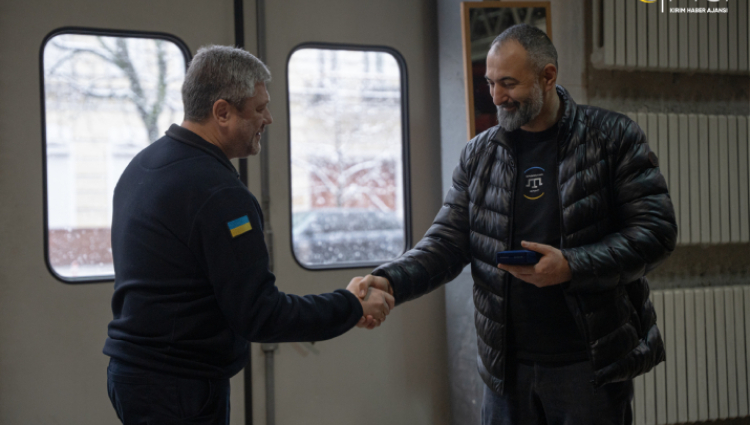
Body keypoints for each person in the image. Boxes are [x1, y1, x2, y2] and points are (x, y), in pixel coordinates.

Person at [358, 24, 677, 424]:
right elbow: (446, 243)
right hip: (506, 370)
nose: (496, 96)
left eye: (509, 83)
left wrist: (571, 265)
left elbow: (656, 233)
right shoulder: (479, 154)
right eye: (490, 83)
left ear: (548, 76)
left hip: (588, 366)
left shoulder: (612, 138)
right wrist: (389, 280)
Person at [103, 45, 394, 425]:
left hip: (135, 375)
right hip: (178, 388)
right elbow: (260, 314)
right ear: (222, 112)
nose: (268, 119)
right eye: (259, 109)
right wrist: (350, 305)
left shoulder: (146, 164)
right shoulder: (218, 193)